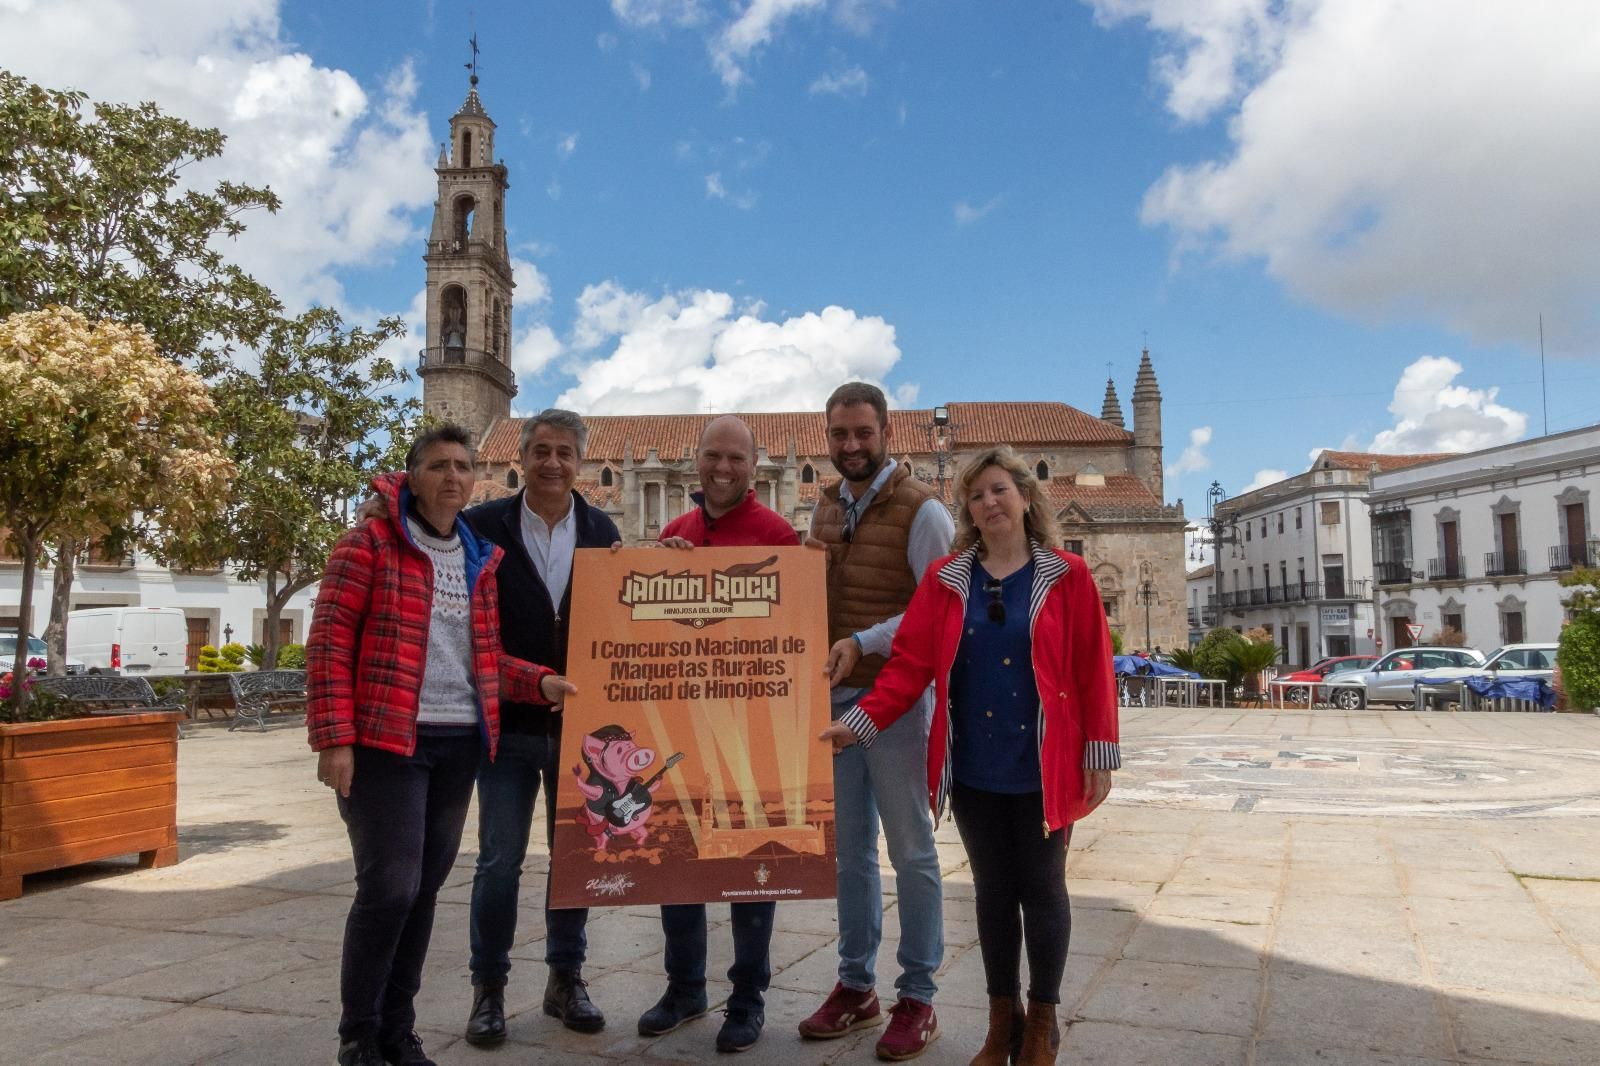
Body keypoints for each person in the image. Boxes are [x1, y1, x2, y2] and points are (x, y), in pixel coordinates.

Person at [822, 446, 1119, 1066]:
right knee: (990, 893)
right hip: (975, 764)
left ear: (1026, 497)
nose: (989, 503)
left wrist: (1099, 754)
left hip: (1044, 761)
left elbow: (1094, 670)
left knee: (1041, 889)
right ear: (969, 512)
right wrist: (859, 720)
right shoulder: (946, 582)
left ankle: (1042, 1024)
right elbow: (909, 666)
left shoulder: (1068, 577)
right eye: (977, 496)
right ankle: (1000, 1023)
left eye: (999, 491)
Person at [308, 424, 576, 1066]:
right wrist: (333, 738)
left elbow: (483, 657)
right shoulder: (369, 543)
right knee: (390, 888)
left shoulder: (477, 556)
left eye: (462, 466)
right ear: (413, 474)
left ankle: (399, 1032)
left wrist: (540, 682)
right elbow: (328, 642)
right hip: (387, 741)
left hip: (458, 743)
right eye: (438, 466)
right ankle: (359, 1037)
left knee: (425, 889)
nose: (452, 477)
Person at [635, 414, 800, 1054]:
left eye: (735, 458)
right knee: (679, 859)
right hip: (682, 722)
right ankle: (684, 988)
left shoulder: (778, 533)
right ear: (695, 461)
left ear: (753, 467)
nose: (723, 468)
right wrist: (653, 566)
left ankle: (747, 998)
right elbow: (645, 628)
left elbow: (791, 629)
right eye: (713, 456)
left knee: (751, 863)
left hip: (752, 728)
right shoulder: (674, 531)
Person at [800, 382, 953, 1062]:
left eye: (862, 432)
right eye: (839, 435)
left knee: (912, 853)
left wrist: (864, 642)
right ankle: (856, 986)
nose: (851, 446)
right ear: (826, 438)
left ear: (886, 432)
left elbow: (938, 608)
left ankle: (917, 997)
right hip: (834, 706)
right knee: (850, 857)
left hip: (895, 704)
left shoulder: (924, 512)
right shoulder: (826, 507)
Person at [463, 409, 621, 1044]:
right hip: (507, 723)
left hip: (579, 729)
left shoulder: (602, 529)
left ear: (580, 462)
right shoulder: (482, 527)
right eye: (541, 451)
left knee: (573, 859)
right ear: (520, 459)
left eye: (564, 453)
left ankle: (565, 979)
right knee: (498, 861)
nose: (552, 463)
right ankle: (489, 990)